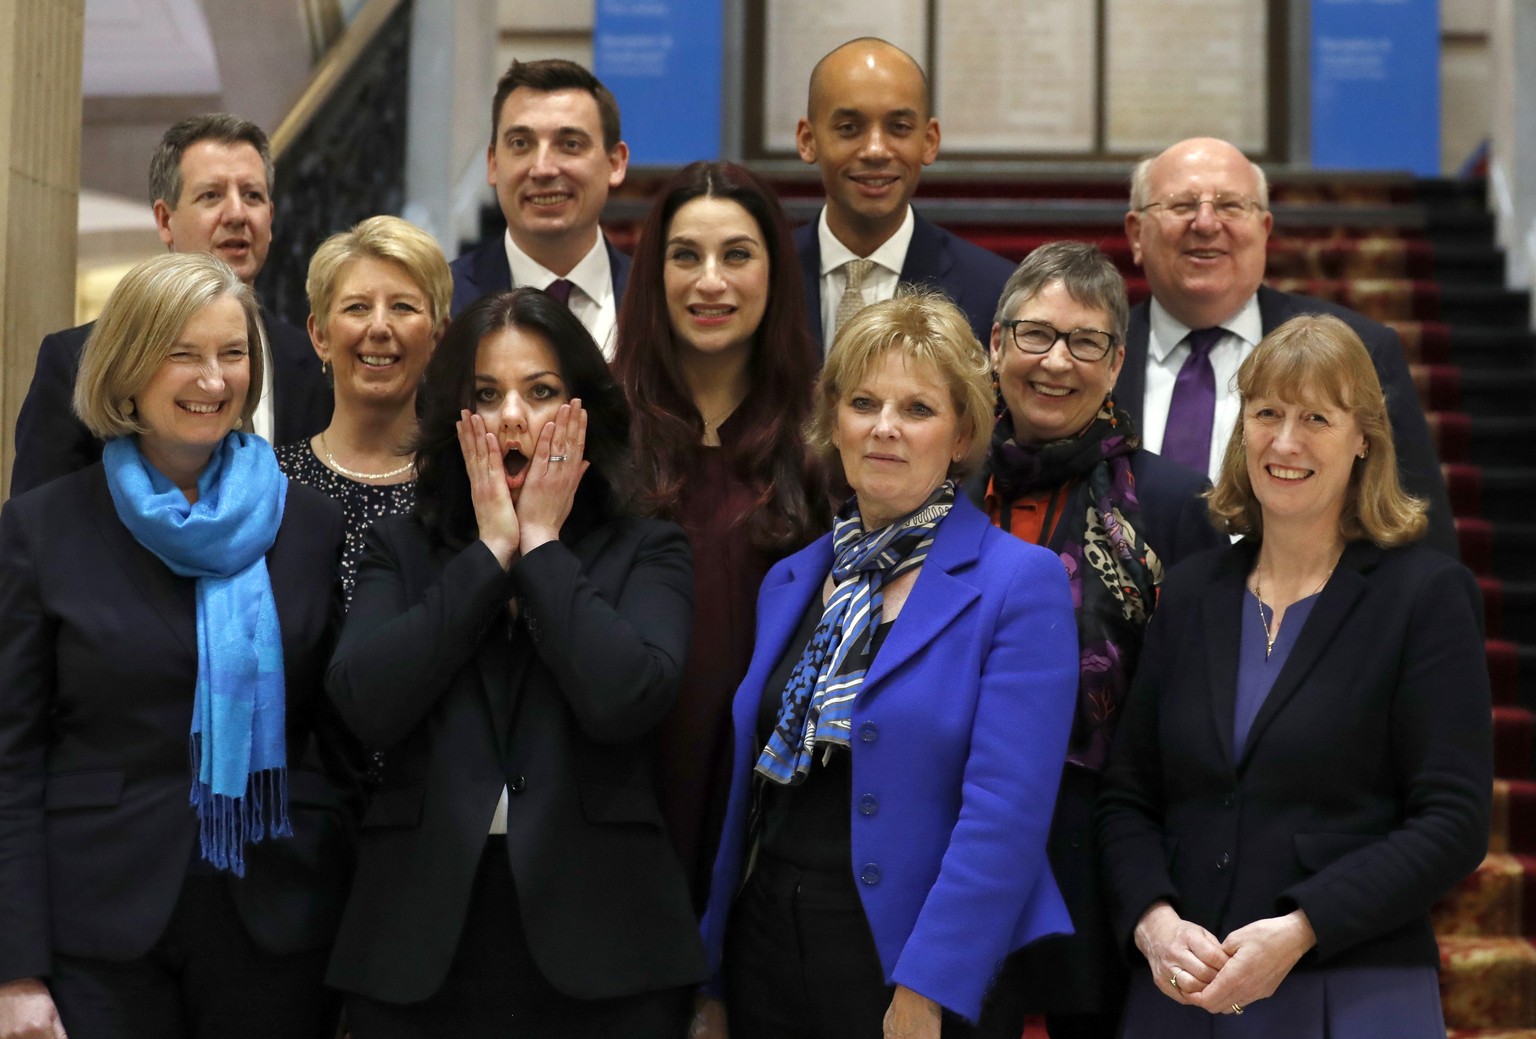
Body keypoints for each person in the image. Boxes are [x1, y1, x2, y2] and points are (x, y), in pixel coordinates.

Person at [324, 288, 707, 1037]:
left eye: (541, 393)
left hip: (607, 944)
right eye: (486, 394)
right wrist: (489, 553)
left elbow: (625, 697)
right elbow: (365, 701)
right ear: (453, 417)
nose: (511, 418)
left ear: (584, 410)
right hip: (417, 941)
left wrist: (540, 549)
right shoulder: (400, 547)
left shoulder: (648, 548)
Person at [697, 291, 1080, 1039]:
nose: (884, 428)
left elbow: (1005, 813)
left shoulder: (1018, 582)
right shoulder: (792, 578)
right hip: (766, 939)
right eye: (864, 402)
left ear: (962, 430)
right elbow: (745, 801)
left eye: (917, 409)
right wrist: (714, 970)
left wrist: (928, 983)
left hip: (908, 957)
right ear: (832, 420)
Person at [1097, 313, 1492, 1037]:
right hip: (1182, 992)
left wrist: (1303, 926)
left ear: (1364, 436)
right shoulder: (1189, 593)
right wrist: (1153, 920)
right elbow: (1128, 796)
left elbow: (1454, 821)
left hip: (1352, 986)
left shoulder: (1425, 596)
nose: (1285, 441)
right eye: (1267, 413)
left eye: (1316, 417)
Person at [0, 252, 356, 1039]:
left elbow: (340, 731)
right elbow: (10, 754)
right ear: (128, 366)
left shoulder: (306, 525)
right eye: (183, 353)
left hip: (278, 919)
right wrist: (15, 969)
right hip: (96, 926)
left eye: (232, 354)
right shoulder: (43, 528)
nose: (212, 379)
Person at [962, 241, 1225, 1039]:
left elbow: (1193, 702)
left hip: (1096, 852)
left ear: (1116, 364)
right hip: (949, 843)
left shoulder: (1178, 505)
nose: (1056, 362)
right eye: (1035, 334)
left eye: (1085, 342)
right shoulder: (943, 485)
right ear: (996, 344)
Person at [613, 159, 828, 912]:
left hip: (772, 800)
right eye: (685, 256)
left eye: (737, 254)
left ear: (774, 273)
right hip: (626, 784)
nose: (710, 281)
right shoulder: (600, 438)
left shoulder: (825, 444)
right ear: (653, 275)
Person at [1118, 136, 1455, 554]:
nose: (1205, 223)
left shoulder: (1362, 349)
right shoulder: (1092, 358)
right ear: (1136, 234)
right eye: (1182, 205)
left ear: (1263, 230)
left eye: (1230, 205)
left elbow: (1418, 533)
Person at [13, 113, 331, 495]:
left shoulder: (314, 364)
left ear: (270, 217)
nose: (237, 214)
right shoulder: (75, 360)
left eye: (252, 196)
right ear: (165, 220)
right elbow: (40, 532)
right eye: (211, 195)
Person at [793, 38, 1015, 352]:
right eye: (848, 128)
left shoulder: (997, 293)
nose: (875, 150)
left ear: (929, 141)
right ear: (807, 140)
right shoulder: (763, 277)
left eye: (898, 127)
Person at [276, 214, 451, 607]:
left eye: (403, 307)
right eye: (357, 307)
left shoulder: (469, 485)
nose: (379, 327)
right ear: (320, 335)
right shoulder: (270, 483)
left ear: (437, 337)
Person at [449, 58, 631, 358]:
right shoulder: (439, 301)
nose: (543, 168)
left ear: (615, 163)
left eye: (570, 144)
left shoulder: (659, 299)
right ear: (493, 164)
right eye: (521, 144)